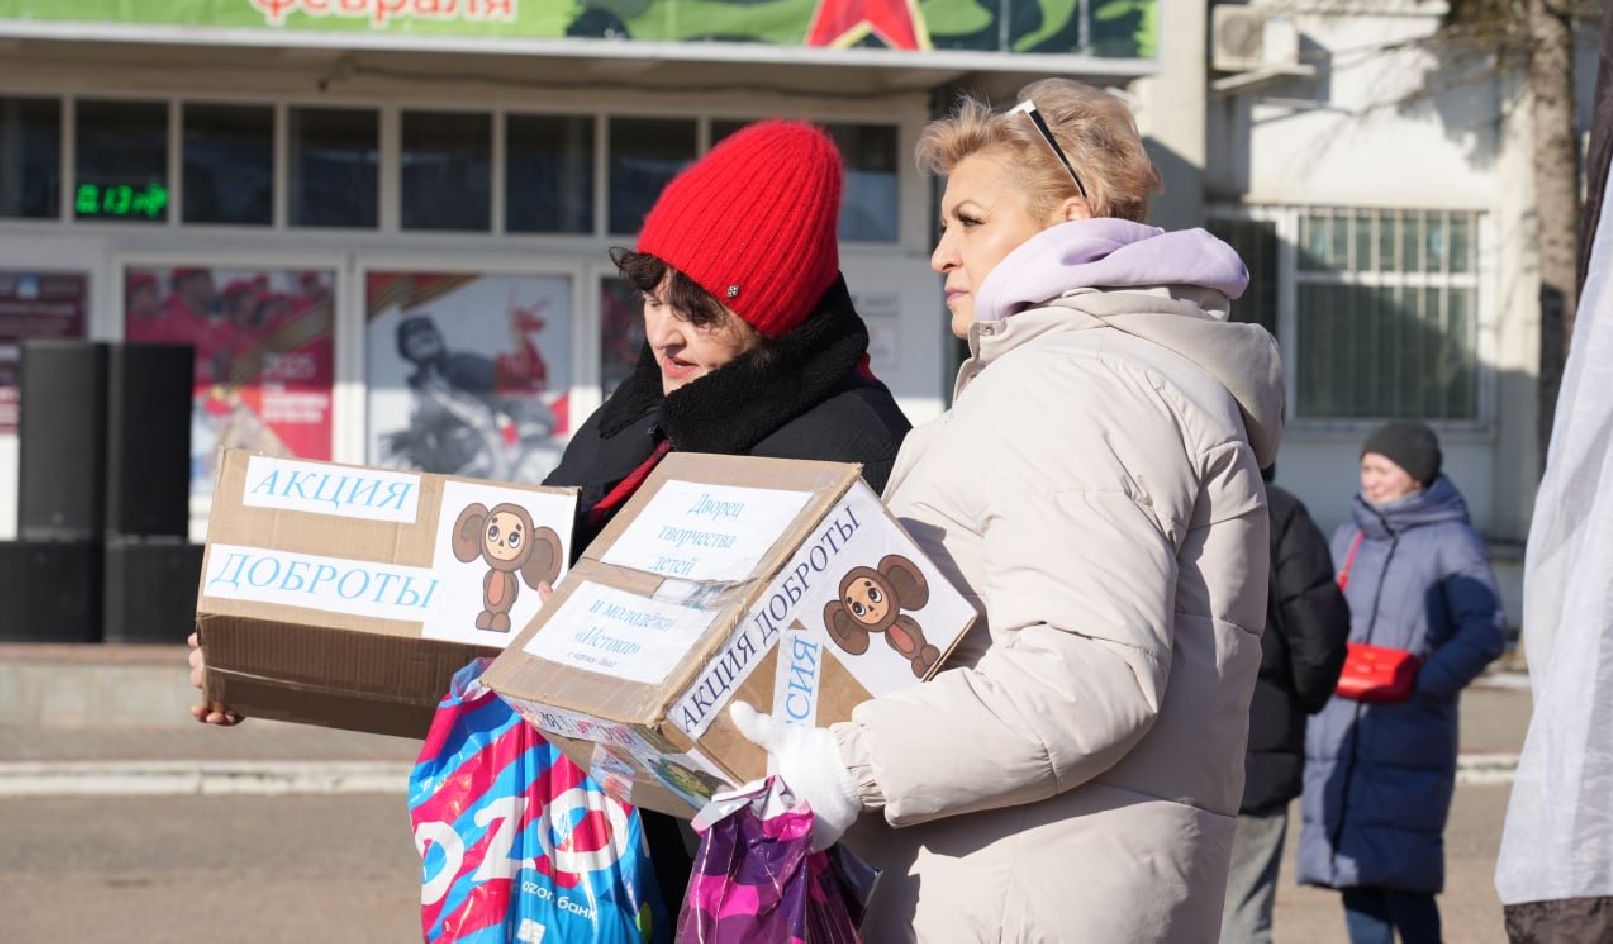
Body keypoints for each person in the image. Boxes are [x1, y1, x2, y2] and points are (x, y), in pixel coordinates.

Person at [188, 118, 913, 914]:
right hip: (576, 851)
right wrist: (268, 658)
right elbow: (500, 599)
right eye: (652, 295)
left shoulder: (852, 444)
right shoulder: (642, 411)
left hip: (727, 887)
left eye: (699, 311)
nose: (664, 333)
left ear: (771, 314)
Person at [728, 78, 1285, 940]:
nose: (940, 254)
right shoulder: (1094, 369)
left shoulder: (1078, 380)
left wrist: (846, 767)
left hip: (1022, 892)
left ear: (1071, 222)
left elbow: (1085, 676)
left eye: (970, 222)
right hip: (1041, 876)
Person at [1297, 420, 1506, 944]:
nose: (1370, 480)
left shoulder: (1452, 541)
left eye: (1382, 470)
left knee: (1405, 881)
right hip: (1343, 723)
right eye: (1366, 468)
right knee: (1356, 876)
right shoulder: (1350, 535)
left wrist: (1424, 683)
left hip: (1408, 730)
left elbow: (1484, 630)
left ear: (1415, 475)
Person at [1221, 473, 1350, 944]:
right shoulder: (1279, 512)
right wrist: (1305, 698)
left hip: (1159, 744)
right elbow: (1318, 636)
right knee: (1241, 909)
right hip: (1258, 730)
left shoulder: (1156, 496)